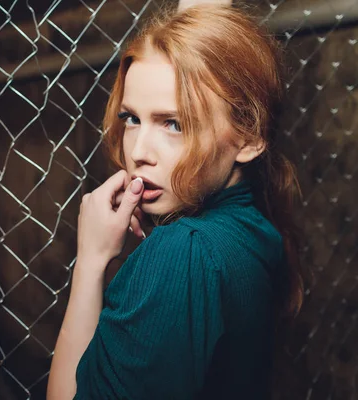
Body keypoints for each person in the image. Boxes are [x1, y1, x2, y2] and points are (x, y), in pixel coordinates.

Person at [47, 4, 305, 399]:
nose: (139, 151)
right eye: (131, 118)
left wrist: (91, 260)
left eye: (174, 124)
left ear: (250, 137)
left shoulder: (183, 251)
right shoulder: (257, 228)